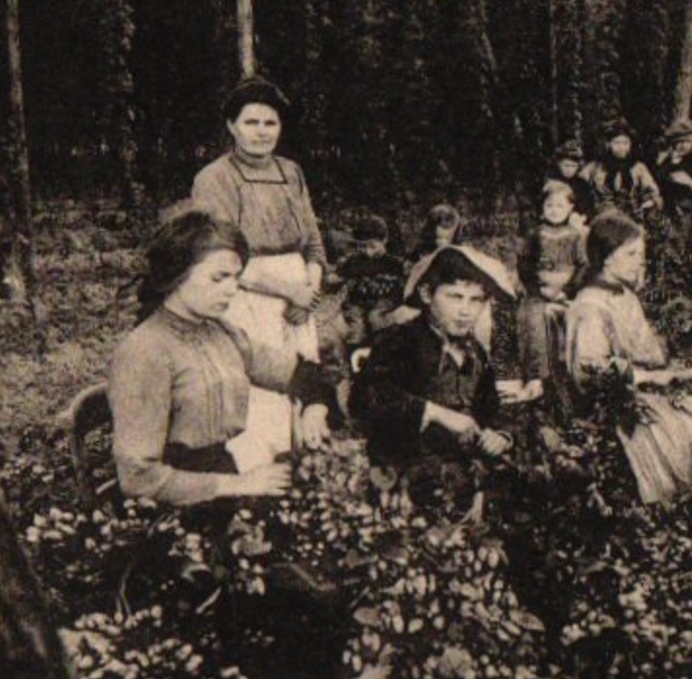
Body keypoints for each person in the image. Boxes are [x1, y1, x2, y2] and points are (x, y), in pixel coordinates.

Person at [108, 209, 337, 509]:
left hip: (223, 486)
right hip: (168, 507)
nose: (232, 290)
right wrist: (238, 484)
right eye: (219, 278)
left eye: (236, 278)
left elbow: (303, 373)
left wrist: (315, 406)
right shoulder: (144, 351)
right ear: (177, 274)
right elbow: (137, 478)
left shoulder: (220, 333)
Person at [190, 77, 328, 468]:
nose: (261, 132)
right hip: (246, 294)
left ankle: (302, 477)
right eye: (251, 123)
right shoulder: (215, 178)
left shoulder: (292, 172)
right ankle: (256, 476)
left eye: (270, 123)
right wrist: (288, 291)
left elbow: (314, 243)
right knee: (261, 389)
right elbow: (220, 253)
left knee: (303, 385)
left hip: (299, 299)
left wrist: (309, 292)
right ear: (232, 126)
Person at [565, 213, 692, 505]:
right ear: (606, 258)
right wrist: (651, 377)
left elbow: (646, 347)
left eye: (641, 255)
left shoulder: (623, 294)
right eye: (630, 254)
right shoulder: (590, 306)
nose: (638, 262)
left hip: (645, 388)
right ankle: (675, 504)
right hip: (616, 402)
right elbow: (591, 371)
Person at [350, 245, 520, 473]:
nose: (465, 311)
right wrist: (435, 413)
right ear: (427, 294)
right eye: (455, 297)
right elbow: (366, 398)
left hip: (464, 471)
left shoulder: (475, 350)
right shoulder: (402, 340)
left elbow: (490, 406)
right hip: (407, 469)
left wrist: (499, 435)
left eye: (476, 300)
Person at [516, 183, 589, 382]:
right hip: (540, 290)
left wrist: (567, 291)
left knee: (583, 318)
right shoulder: (535, 234)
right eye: (549, 205)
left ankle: (578, 370)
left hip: (567, 292)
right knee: (532, 319)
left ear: (570, 208)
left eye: (560, 206)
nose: (554, 211)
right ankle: (538, 374)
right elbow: (524, 265)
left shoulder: (575, 236)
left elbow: (583, 266)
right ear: (542, 208)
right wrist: (539, 289)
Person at [335, 214, 406, 347]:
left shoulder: (394, 264)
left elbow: (403, 287)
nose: (367, 252)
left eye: (372, 246)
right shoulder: (354, 262)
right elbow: (338, 277)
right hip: (358, 303)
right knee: (355, 329)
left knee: (376, 320)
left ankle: (379, 353)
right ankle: (354, 356)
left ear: (384, 240)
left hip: (384, 304)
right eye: (361, 247)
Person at [584, 119, 662, 216]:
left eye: (625, 143)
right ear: (608, 144)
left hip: (632, 216)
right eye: (616, 143)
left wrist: (648, 203)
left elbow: (652, 192)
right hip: (602, 217)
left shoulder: (638, 168)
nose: (621, 148)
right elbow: (579, 187)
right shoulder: (595, 167)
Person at [546, 140, 596, 221]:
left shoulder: (582, 184)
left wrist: (583, 217)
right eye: (566, 165)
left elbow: (589, 207)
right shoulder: (552, 182)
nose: (569, 169)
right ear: (559, 164)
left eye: (573, 166)